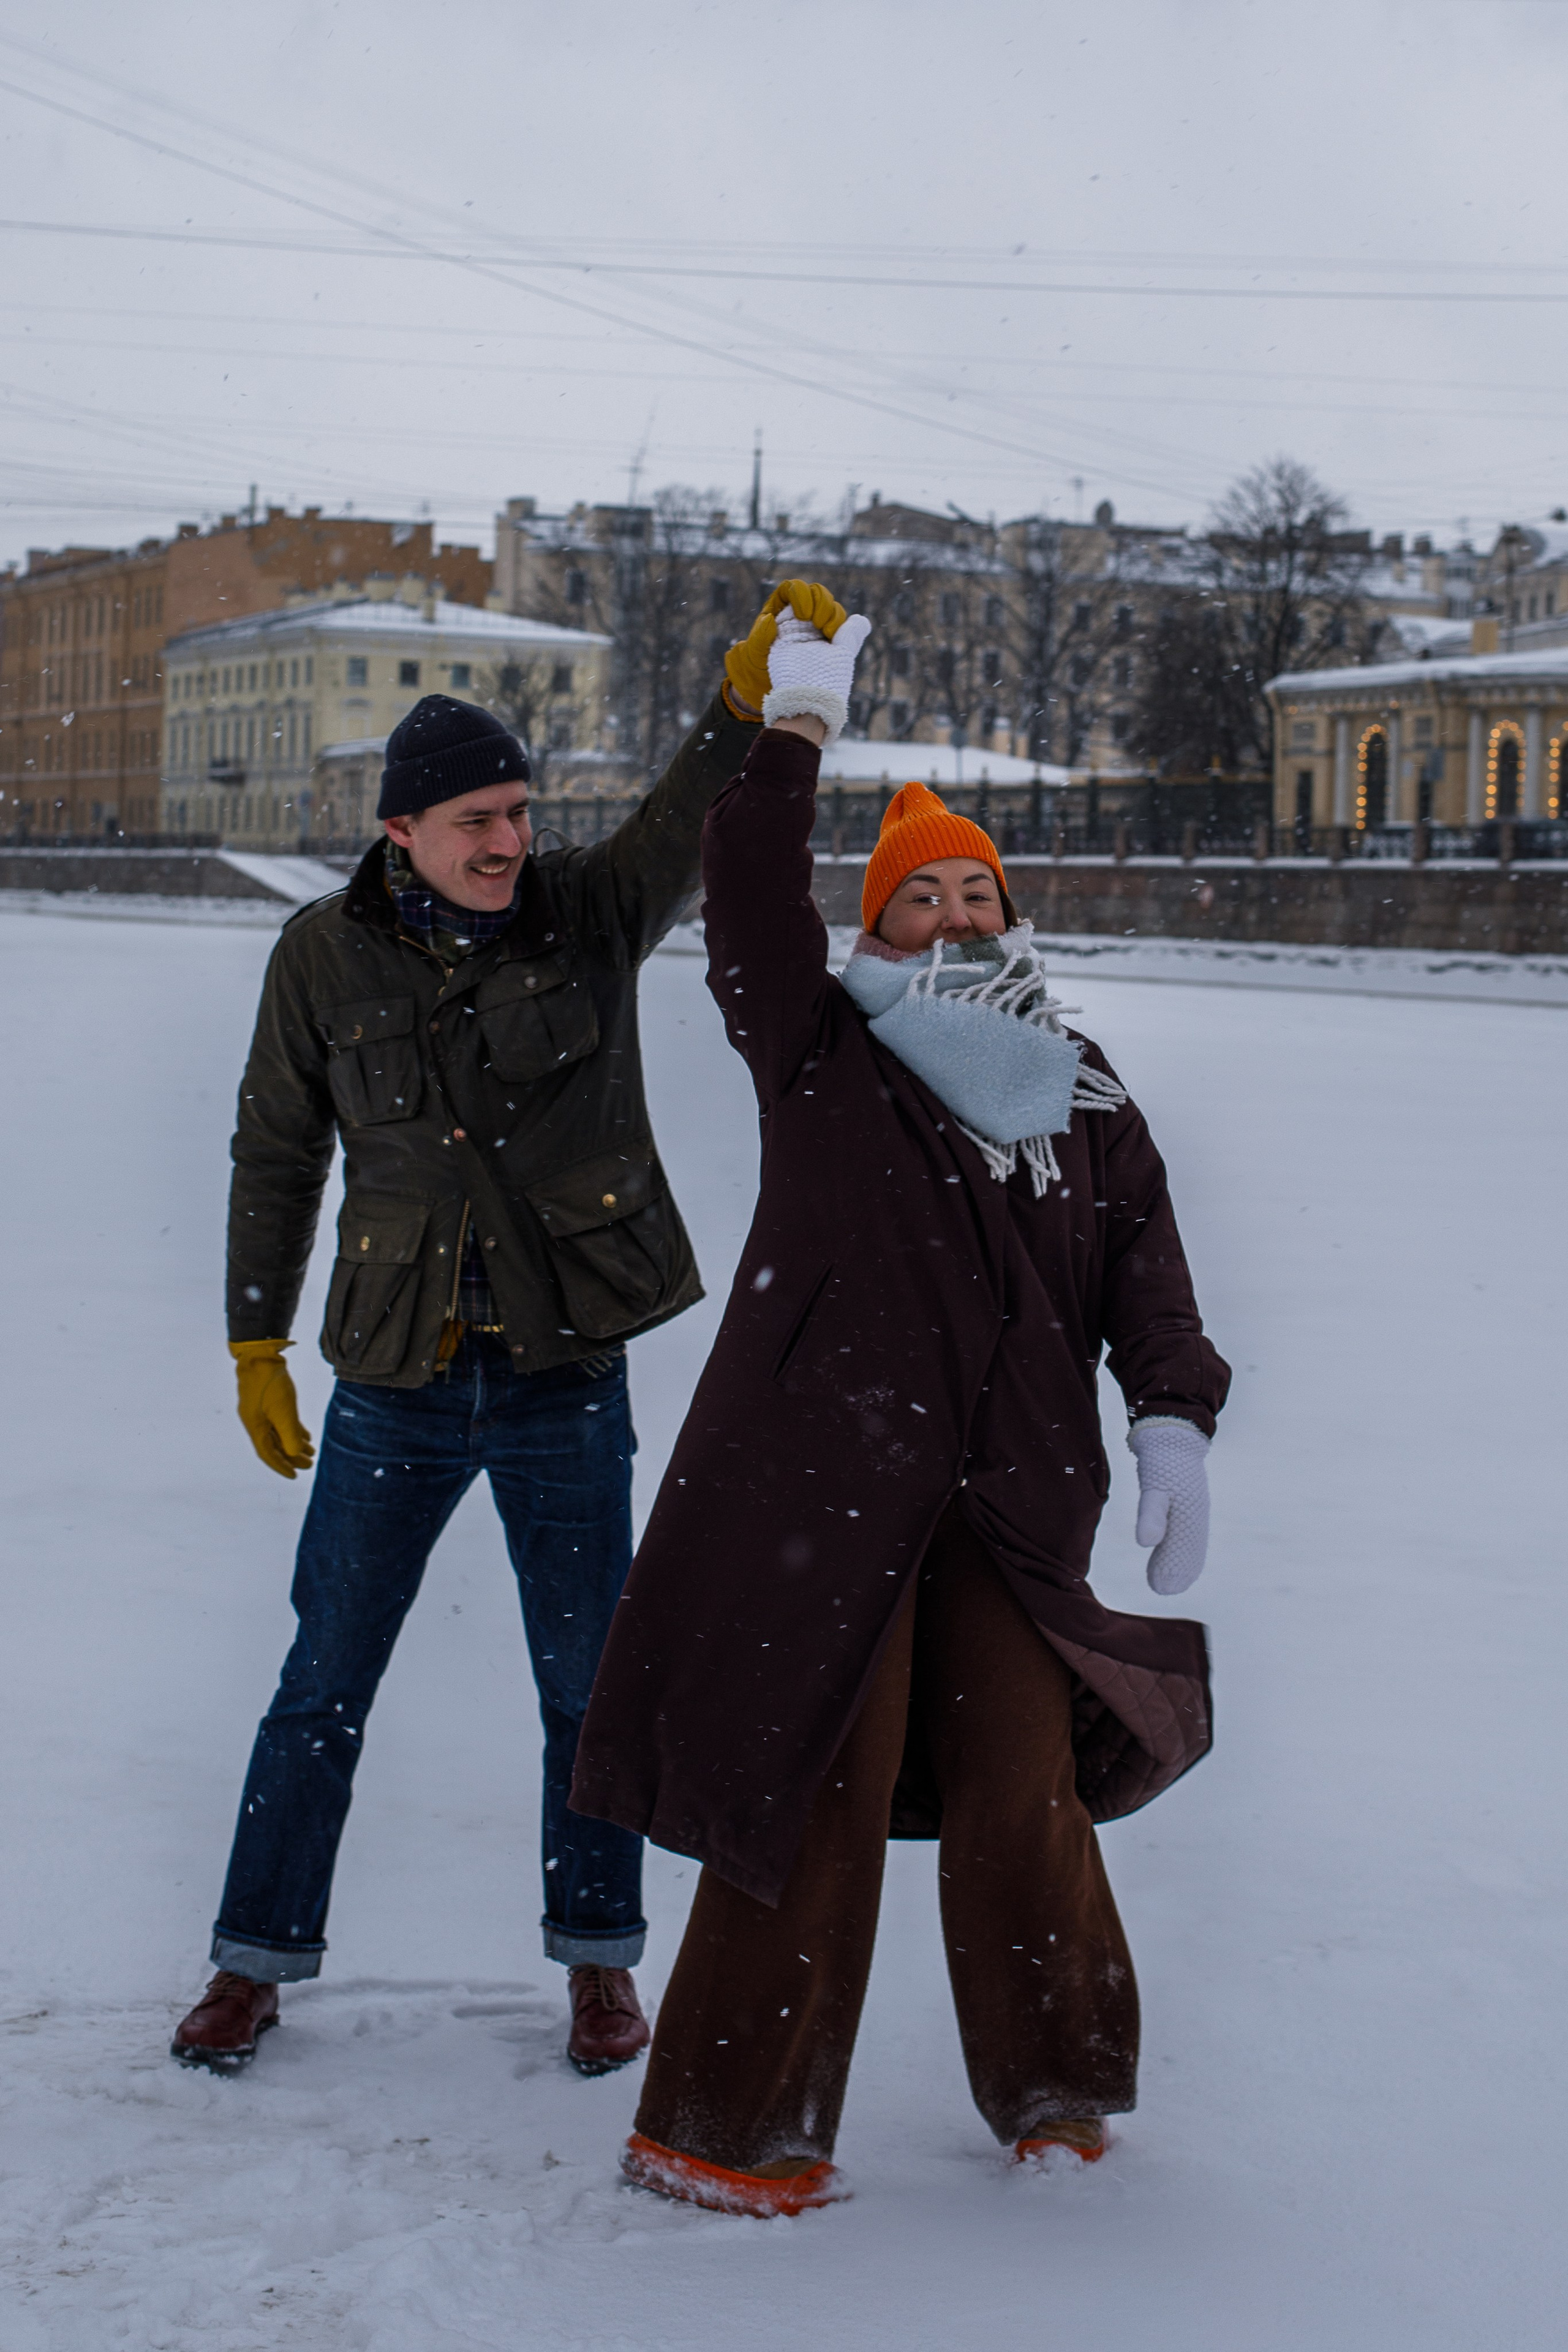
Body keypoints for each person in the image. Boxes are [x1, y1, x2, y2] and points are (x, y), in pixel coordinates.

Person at [570, 612, 1231, 2214]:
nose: (950, 910)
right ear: (874, 926)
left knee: (1027, 1791)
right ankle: (725, 2133)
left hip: (1010, 1500)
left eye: (976, 890)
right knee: (817, 1787)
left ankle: (1061, 2088)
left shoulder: (1079, 1087)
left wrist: (1171, 1417)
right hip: (822, 1496)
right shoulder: (819, 1051)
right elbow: (740, 894)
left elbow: (1141, 1258)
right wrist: (794, 726)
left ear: (1011, 913)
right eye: (917, 895)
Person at [171, 584, 848, 2075]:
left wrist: (742, 704)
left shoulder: (588, 918)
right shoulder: (321, 959)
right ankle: (253, 1960)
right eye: (474, 817)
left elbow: (683, 817)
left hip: (562, 1384)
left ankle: (598, 1966)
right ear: (399, 829)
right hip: (391, 1383)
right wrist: (252, 1342)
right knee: (320, 1689)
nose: (503, 843)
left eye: (518, 813)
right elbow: (276, 1152)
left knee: (587, 1695)